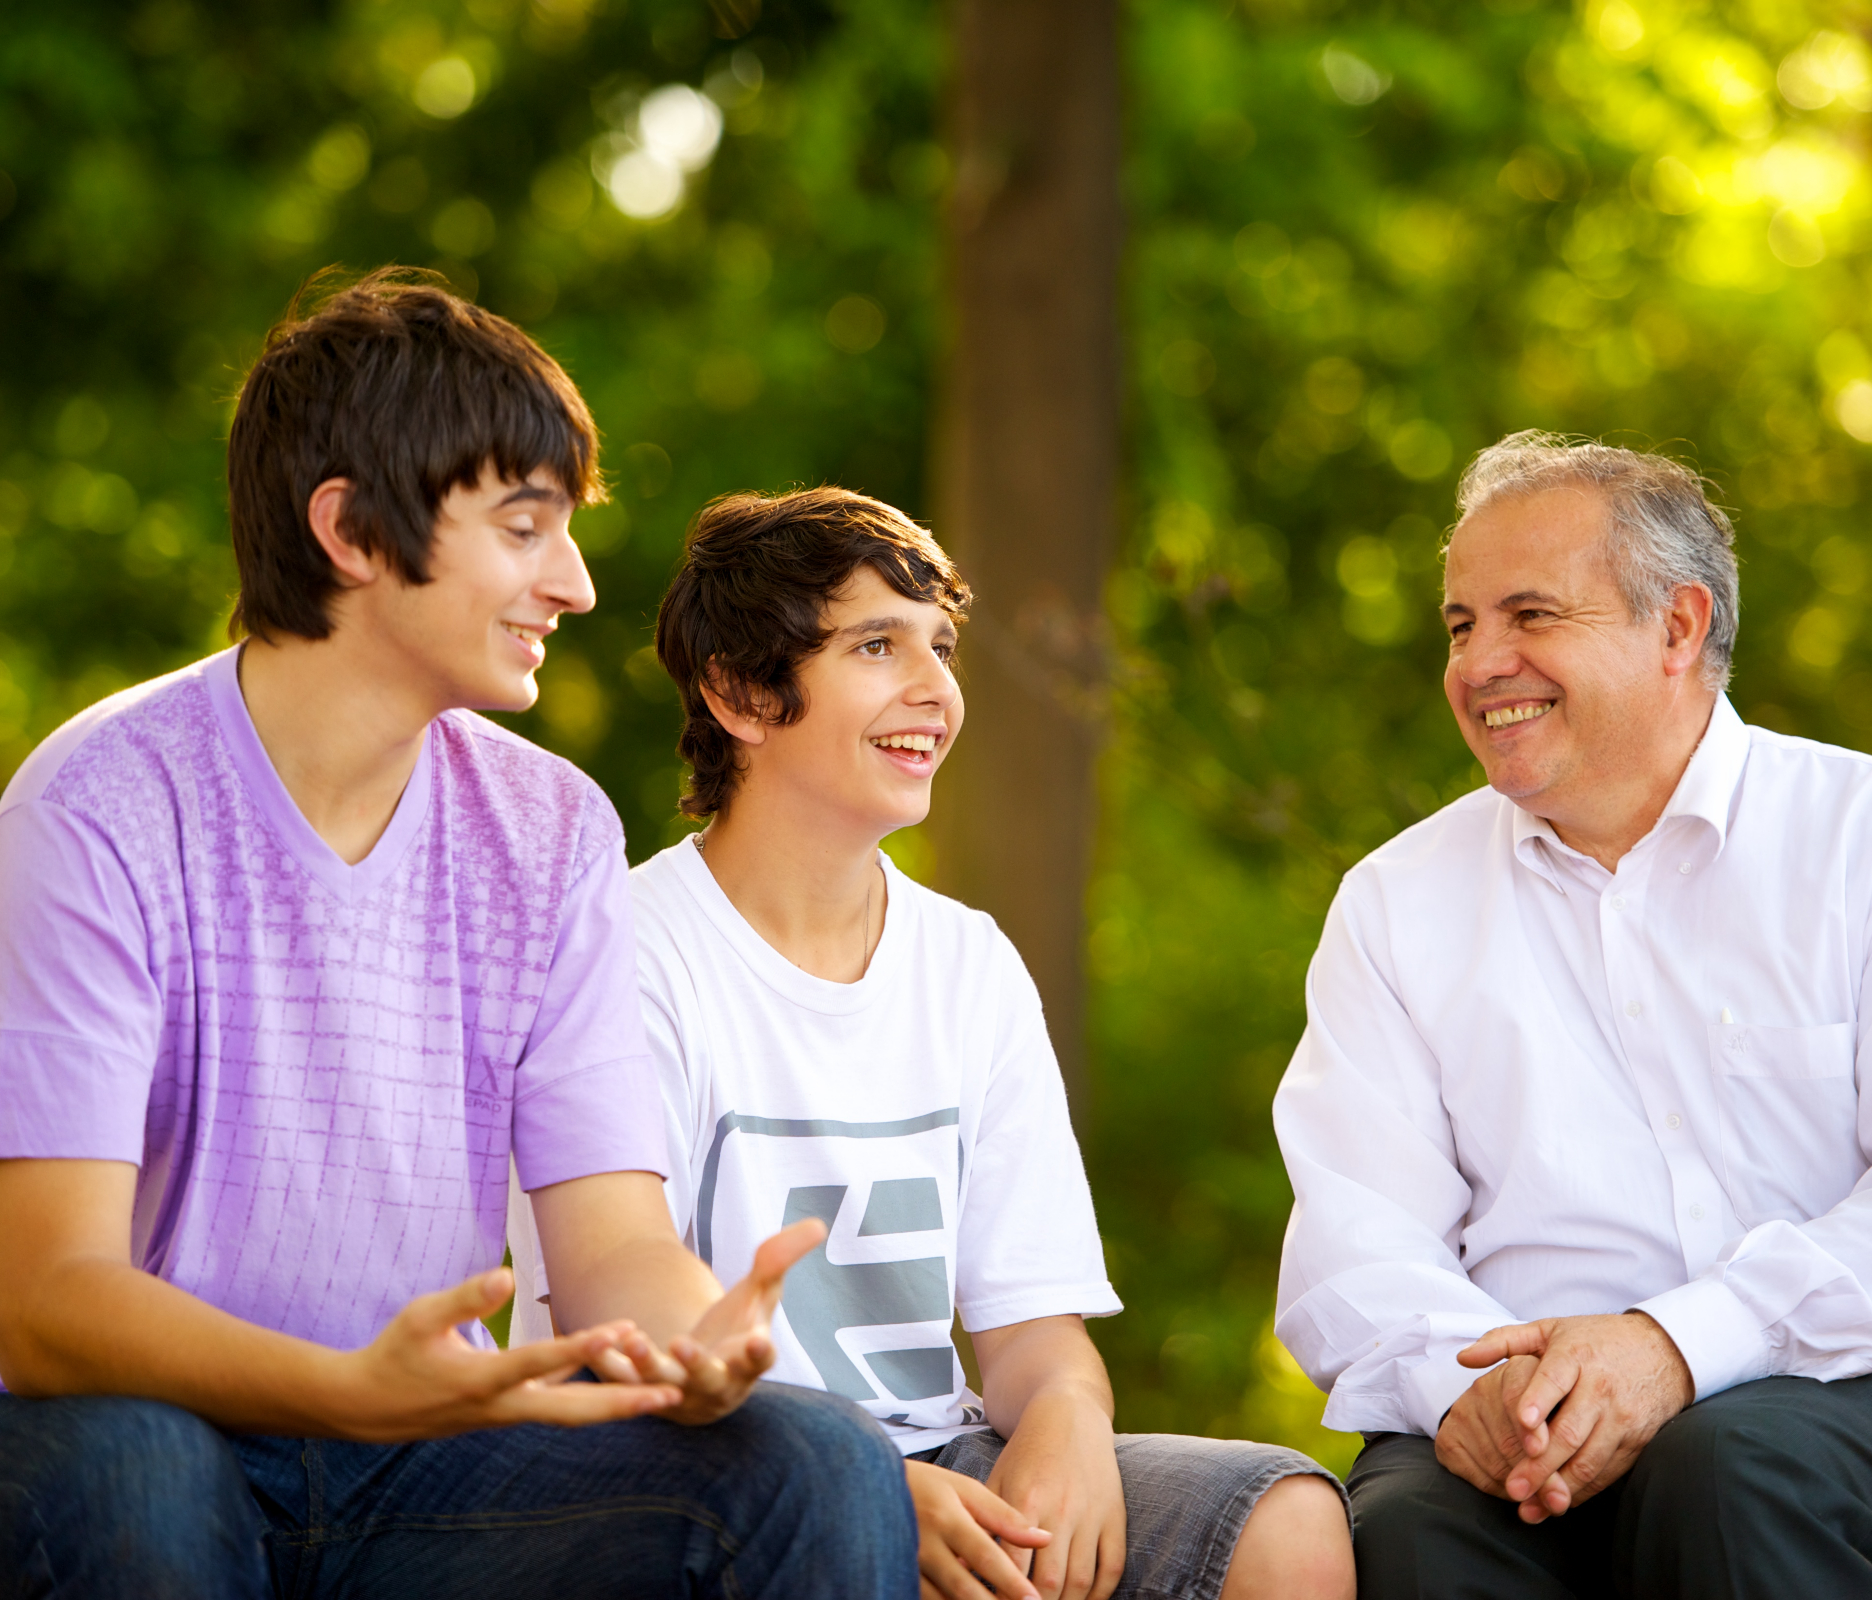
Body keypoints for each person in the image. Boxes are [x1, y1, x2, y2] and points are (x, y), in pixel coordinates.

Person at [0, 272, 915, 1600]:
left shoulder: (551, 831)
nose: (575, 584)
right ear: (354, 531)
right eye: (524, 527)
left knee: (815, 1464)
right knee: (140, 1469)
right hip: (95, 1447)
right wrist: (347, 1391)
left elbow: (610, 1247)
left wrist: (692, 1338)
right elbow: (49, 1304)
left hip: (416, 1473)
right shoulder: (101, 803)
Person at [511, 486, 1356, 1600]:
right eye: (876, 644)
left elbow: (1032, 1335)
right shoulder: (629, 953)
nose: (935, 689)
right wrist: (859, 1489)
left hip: (942, 1464)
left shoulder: (971, 964)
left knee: (1285, 1522)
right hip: (694, 1478)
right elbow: (613, 1312)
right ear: (741, 692)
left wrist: (1065, 1422)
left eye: (941, 646)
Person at [1271, 431, 1872, 1598]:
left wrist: (1676, 1346)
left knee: (1731, 1461)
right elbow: (1354, 1238)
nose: (1479, 661)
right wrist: (1475, 1395)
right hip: (1529, 1426)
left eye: (1530, 615)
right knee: (1400, 1529)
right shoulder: (1395, 902)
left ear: (1679, 627)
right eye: (1460, 625)